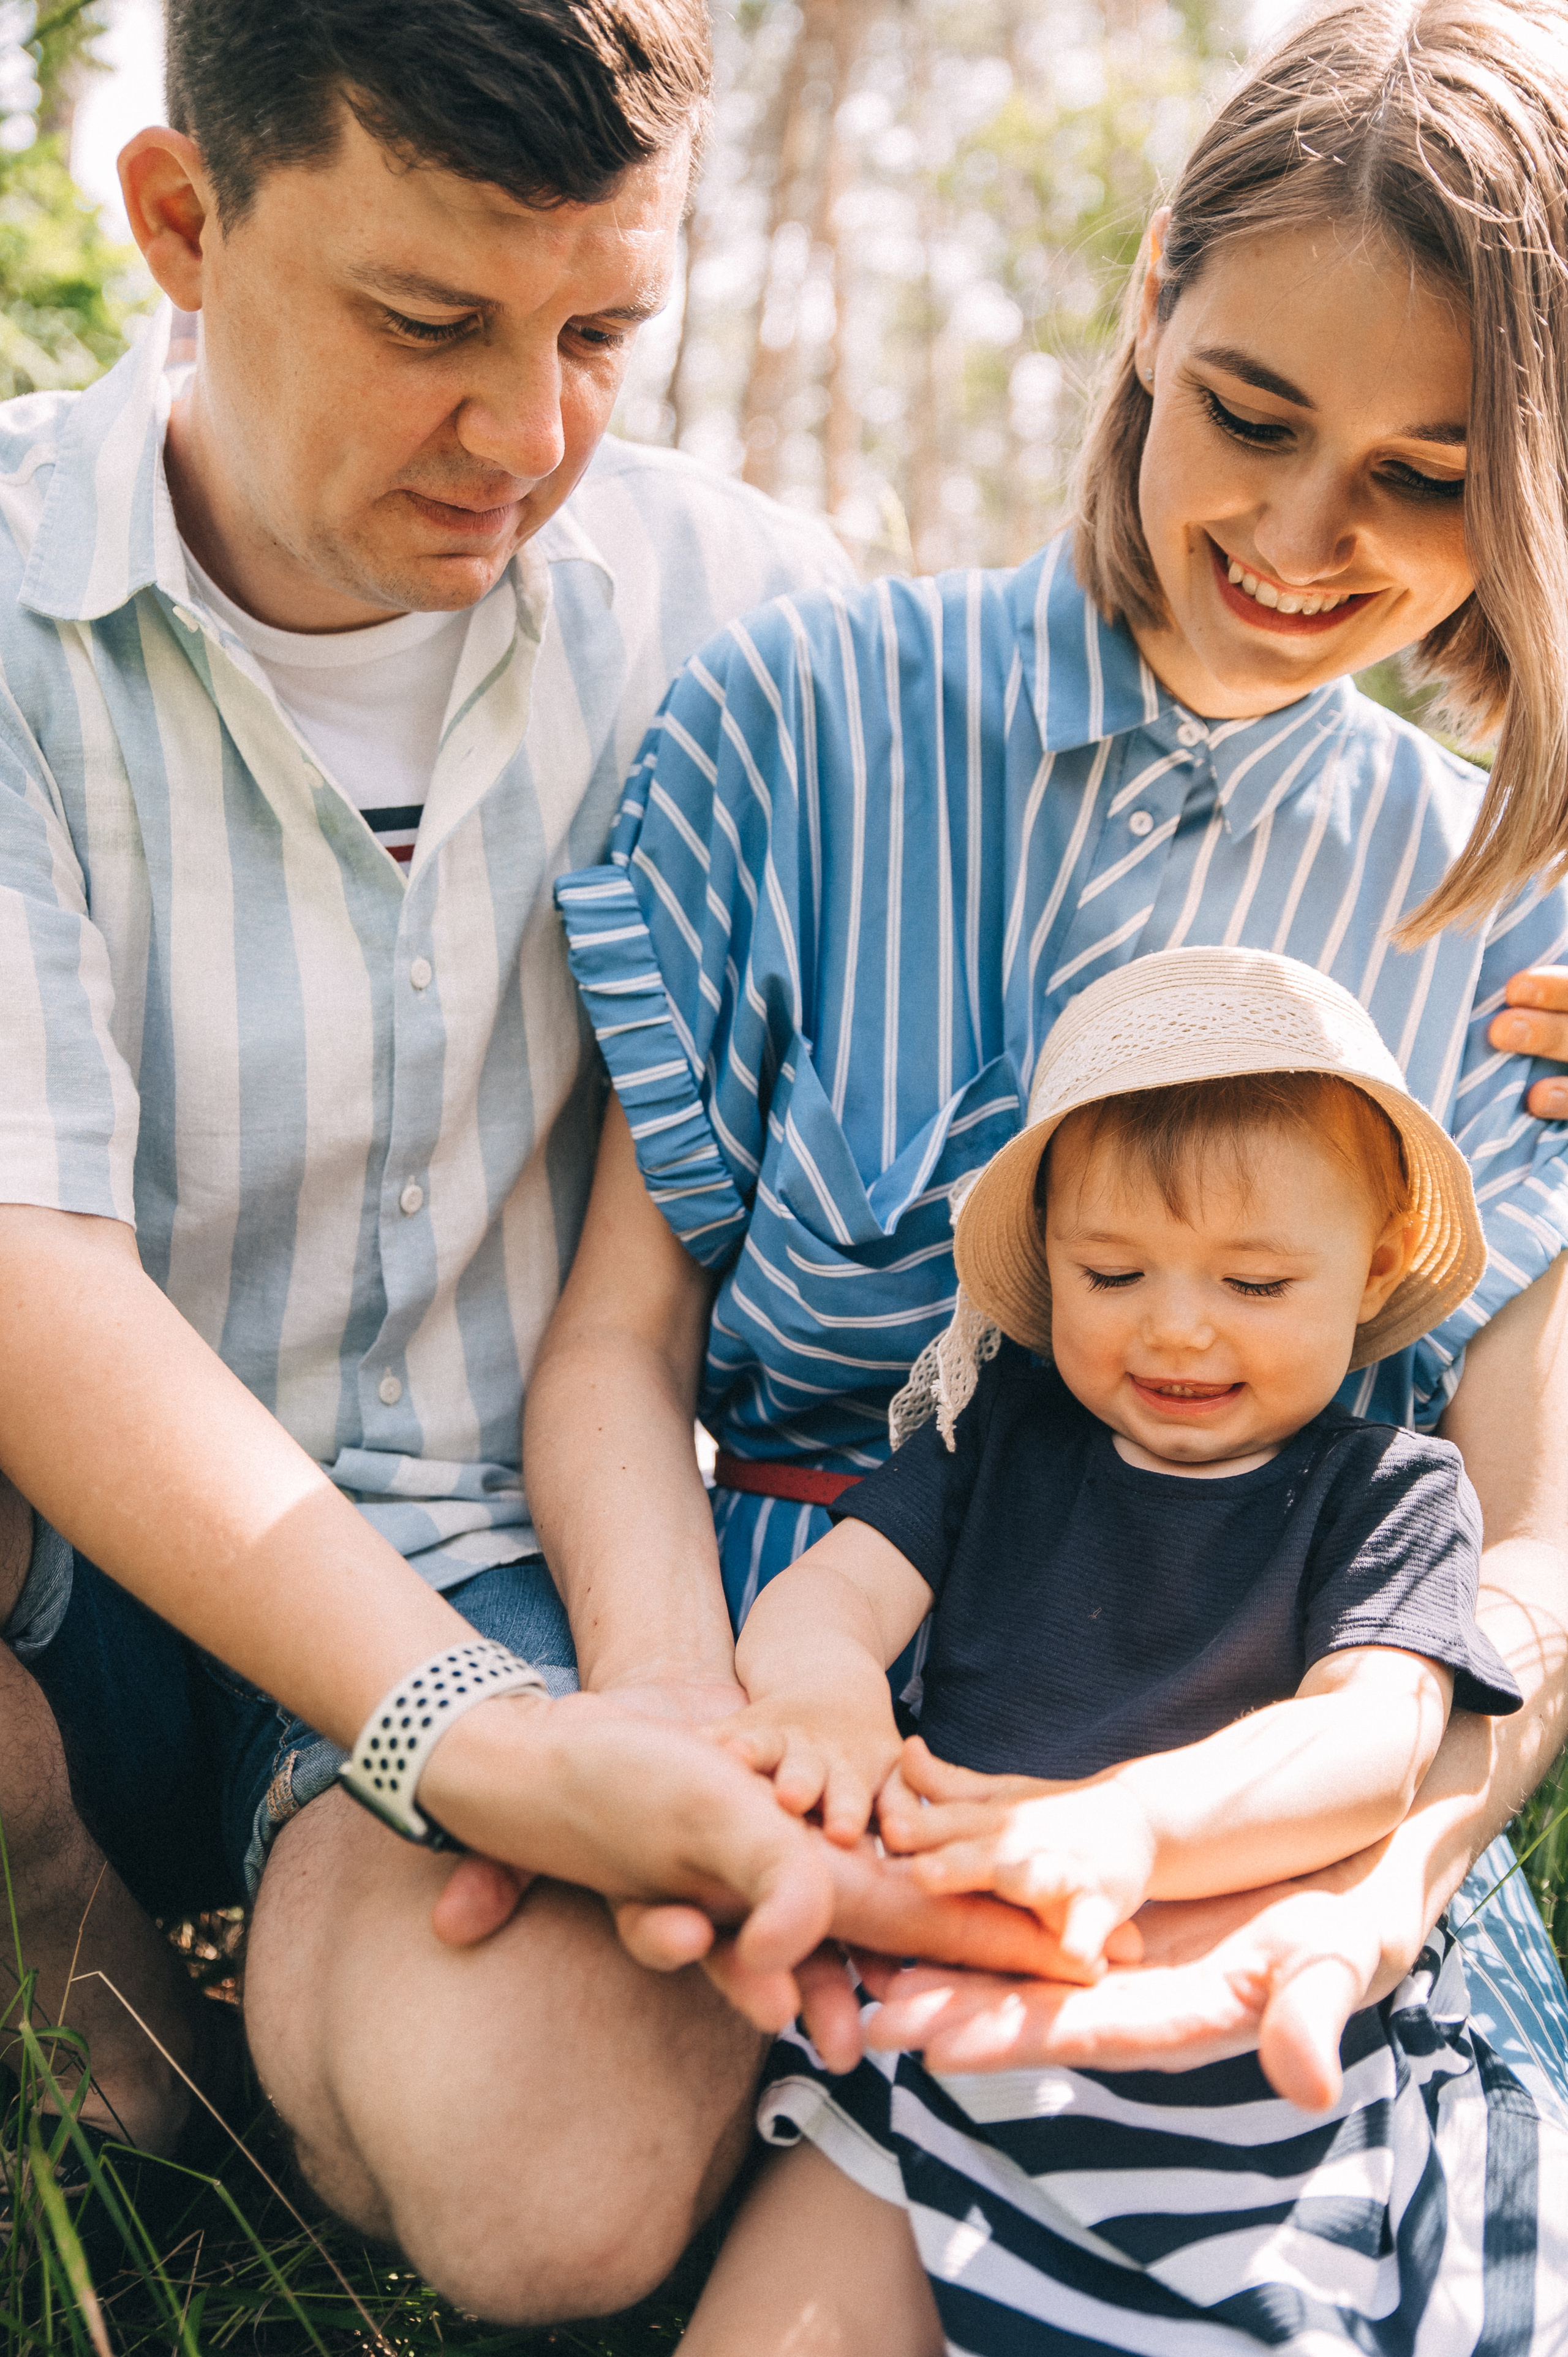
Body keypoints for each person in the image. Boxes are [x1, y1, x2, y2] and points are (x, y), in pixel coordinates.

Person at [0, 0, 1079, 2320]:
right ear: (185, 219)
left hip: (505, 1549)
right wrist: (459, 1745)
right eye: (428, 323)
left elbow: (1144, 818)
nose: (529, 431)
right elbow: (27, 1275)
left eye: (604, 328)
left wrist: (1446, 997)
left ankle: (236, 2013)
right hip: (56, 1573)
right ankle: (92, 1942)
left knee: (553, 2193)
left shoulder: (766, 623)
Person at [544, 0, 1568, 2341]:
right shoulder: (802, 721)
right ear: (1147, 311)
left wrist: (1391, 1853)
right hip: (800, 1683)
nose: (1304, 545)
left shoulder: (1501, 913)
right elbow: (623, 1339)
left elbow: (1524, 1547)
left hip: (1274, 1742)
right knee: (584, 2195)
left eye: (1425, 481)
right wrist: (696, 1723)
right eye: (1253, 413)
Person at [679, 945, 1559, 2352]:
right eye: (1112, 1269)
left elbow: (1371, 1735)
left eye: (1257, 1283)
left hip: (1236, 2026)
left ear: (1375, 1261)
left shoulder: (1383, 1488)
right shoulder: (1001, 1436)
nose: (1175, 1324)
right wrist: (824, 1699)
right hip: (946, 2005)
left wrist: (1129, 1828)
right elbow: (834, 1592)